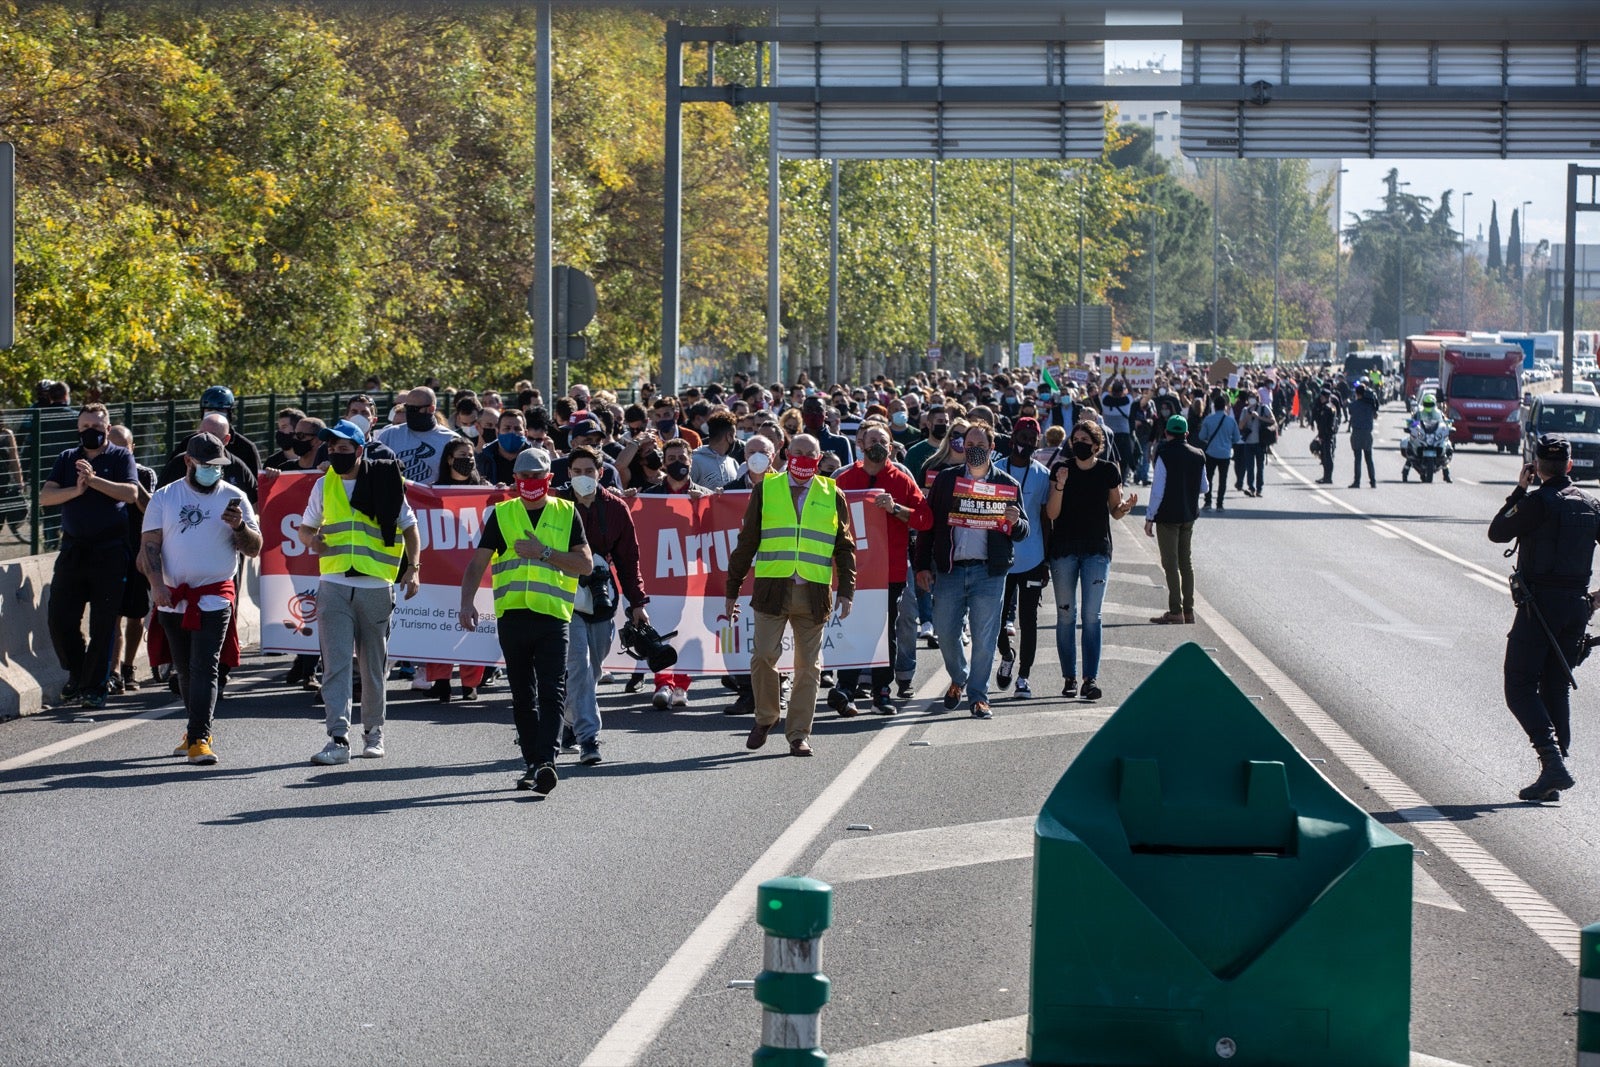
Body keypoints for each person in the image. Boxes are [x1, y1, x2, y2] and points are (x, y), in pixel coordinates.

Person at [458, 447, 592, 793]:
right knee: (522, 694)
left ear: (549, 479)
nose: (531, 482)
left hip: (552, 617)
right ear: (515, 479)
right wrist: (466, 603)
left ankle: (546, 761)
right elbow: (478, 562)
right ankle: (532, 763)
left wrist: (543, 552)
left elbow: (585, 565)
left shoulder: (567, 513)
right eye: (524, 477)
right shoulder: (503, 514)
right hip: (513, 617)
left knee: (552, 691)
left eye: (537, 477)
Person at [296, 419, 422, 765]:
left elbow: (410, 529)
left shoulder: (386, 480)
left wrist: (413, 569)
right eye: (331, 448)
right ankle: (338, 739)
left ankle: (373, 733)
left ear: (359, 450)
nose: (335, 453)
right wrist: (312, 540)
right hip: (334, 585)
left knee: (372, 668)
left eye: (343, 448)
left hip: (376, 586)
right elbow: (305, 529)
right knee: (335, 666)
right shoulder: (324, 484)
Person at [724, 434, 856, 757]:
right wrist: (732, 589)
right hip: (772, 591)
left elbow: (844, 546)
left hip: (814, 593)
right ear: (786, 453)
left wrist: (847, 590)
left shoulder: (833, 493)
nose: (804, 458)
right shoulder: (766, 489)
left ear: (820, 458)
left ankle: (798, 734)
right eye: (798, 452)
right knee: (763, 657)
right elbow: (747, 542)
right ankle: (766, 717)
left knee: (809, 667)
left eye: (811, 453)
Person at [1487, 434, 1600, 802]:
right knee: (1555, 685)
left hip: (1539, 608)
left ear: (1536, 466)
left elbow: (1497, 531)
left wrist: (1520, 490)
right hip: (1576, 608)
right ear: (1570, 465)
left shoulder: (1536, 503)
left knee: (1519, 686)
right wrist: (1596, 600)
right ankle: (1554, 773)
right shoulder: (1591, 505)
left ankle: (1553, 763)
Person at [141, 434, 262, 764]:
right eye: (205, 465)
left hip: (214, 596)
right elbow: (149, 547)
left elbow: (254, 548)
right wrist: (157, 586)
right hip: (173, 597)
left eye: (217, 466)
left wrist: (240, 527)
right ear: (188, 462)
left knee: (205, 666)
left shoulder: (234, 497)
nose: (212, 471)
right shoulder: (165, 497)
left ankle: (199, 738)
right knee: (183, 670)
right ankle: (194, 729)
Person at [914, 421, 1028, 720]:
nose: (974, 450)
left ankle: (978, 696)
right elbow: (928, 525)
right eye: (970, 445)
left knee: (984, 638)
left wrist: (1015, 521)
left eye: (980, 446)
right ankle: (959, 676)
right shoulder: (946, 479)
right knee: (945, 632)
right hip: (950, 570)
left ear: (992, 448)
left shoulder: (1007, 485)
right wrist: (922, 565)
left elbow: (1023, 531)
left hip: (988, 572)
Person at [40, 403, 140, 709]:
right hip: (74, 550)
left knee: (103, 623)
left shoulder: (121, 456)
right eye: (84, 428)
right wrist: (77, 489)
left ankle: (94, 687)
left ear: (107, 429)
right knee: (60, 618)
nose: (90, 432)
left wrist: (94, 480)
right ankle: (78, 672)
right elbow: (46, 496)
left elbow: (131, 494)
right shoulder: (67, 458)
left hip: (110, 552)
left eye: (96, 427)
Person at [834, 423, 931, 714]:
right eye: (872, 439)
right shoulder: (844, 479)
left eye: (883, 440)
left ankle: (881, 692)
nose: (877, 444)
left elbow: (925, 519)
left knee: (883, 632)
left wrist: (896, 509)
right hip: (851, 570)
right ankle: (846, 688)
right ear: (861, 444)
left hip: (889, 571)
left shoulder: (901, 479)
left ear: (890, 447)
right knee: (849, 627)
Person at [562, 445, 650, 764]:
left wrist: (637, 602)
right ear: (568, 473)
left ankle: (569, 721)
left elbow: (628, 560)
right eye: (577, 471)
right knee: (579, 665)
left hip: (602, 597)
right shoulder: (557, 505)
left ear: (600, 473)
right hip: (565, 596)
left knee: (594, 668)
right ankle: (589, 737)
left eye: (589, 471)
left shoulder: (615, 508)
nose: (582, 476)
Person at [1046, 420, 1137, 700]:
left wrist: (1125, 507)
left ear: (1097, 446)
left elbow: (1115, 511)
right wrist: (1060, 485)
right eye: (1076, 440)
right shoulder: (1061, 469)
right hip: (1064, 549)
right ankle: (1069, 677)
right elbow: (1051, 513)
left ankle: (1090, 679)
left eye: (1085, 440)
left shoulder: (1108, 470)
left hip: (1096, 550)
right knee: (1065, 615)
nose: (1080, 444)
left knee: (1091, 616)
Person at [639, 438, 710, 707]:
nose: (677, 463)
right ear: (663, 463)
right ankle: (662, 683)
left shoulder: (705, 495)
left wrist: (705, 505)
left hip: (693, 576)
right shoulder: (650, 496)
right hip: (661, 575)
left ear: (691, 461)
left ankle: (681, 685)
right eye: (671, 459)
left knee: (687, 628)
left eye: (682, 458)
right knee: (662, 628)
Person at [422, 437, 490, 702]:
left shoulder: (484, 489)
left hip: (476, 569)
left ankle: (470, 683)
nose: (468, 459)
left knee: (473, 626)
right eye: (462, 455)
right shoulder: (433, 491)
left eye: (471, 455)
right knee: (439, 626)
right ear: (449, 459)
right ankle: (441, 681)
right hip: (441, 570)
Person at [992, 417, 1050, 698]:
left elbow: (1046, 520)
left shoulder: (1043, 474)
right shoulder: (996, 470)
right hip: (1001, 558)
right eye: (1022, 437)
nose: (1026, 443)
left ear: (1037, 443)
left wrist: (1046, 561)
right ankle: (1006, 654)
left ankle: (1024, 677)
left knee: (1029, 620)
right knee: (996, 618)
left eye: (1031, 439)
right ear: (1012, 437)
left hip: (1033, 559)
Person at [106, 425, 156, 695]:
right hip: (110, 553)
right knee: (112, 614)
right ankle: (113, 672)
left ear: (132, 448)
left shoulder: (145, 474)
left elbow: (150, 508)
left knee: (136, 615)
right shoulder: (101, 472)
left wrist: (132, 480)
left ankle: (129, 666)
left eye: (123, 447)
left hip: (137, 553)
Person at [1145, 415, 1207, 625]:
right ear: (1186, 434)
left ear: (1166, 433)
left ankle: (1175, 610)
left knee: (1170, 564)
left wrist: (1150, 517)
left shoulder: (1164, 454)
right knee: (1186, 563)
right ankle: (1189, 610)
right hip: (1189, 515)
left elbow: (1158, 490)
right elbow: (1204, 487)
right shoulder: (1198, 454)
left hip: (1167, 516)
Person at [378, 385, 459, 483]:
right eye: (407, 408)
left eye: (414, 409)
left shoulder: (451, 439)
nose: (410, 413)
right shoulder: (389, 435)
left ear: (431, 409)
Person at [1196, 395, 1241, 511]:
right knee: (1223, 479)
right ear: (1225, 407)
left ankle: (1208, 502)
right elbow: (1237, 438)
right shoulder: (1231, 421)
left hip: (1211, 452)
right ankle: (1220, 504)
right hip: (1225, 453)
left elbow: (1201, 436)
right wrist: (1228, 442)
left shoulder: (1208, 419)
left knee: (1209, 478)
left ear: (1214, 407)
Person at [690, 411, 740, 490]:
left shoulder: (733, 463)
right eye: (734, 436)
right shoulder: (694, 461)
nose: (735, 440)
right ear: (729, 436)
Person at [1347, 381, 1380, 489]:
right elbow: (1375, 414)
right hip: (1367, 433)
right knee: (1369, 458)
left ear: (1357, 393)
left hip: (1356, 432)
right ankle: (1373, 481)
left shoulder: (1353, 405)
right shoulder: (1370, 405)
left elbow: (1350, 411)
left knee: (1357, 458)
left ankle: (1357, 482)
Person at [1313, 388, 1342, 484]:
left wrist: (1320, 436)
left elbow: (1324, 424)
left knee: (1327, 457)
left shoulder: (1326, 408)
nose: (1320, 398)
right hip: (1329, 434)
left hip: (1326, 435)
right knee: (1326, 456)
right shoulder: (1332, 407)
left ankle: (1328, 477)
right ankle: (1326, 477)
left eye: (1322, 397)